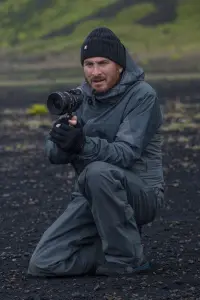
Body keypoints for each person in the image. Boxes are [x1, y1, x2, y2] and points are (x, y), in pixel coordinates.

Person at [28, 27, 164, 277]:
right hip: (91, 194)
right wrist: (63, 141)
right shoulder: (80, 98)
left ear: (120, 66)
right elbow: (52, 155)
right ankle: (114, 241)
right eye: (88, 64)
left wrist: (82, 144)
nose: (95, 72)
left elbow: (126, 153)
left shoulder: (142, 96)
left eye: (103, 63)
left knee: (97, 172)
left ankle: (129, 258)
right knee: (43, 264)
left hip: (140, 194)